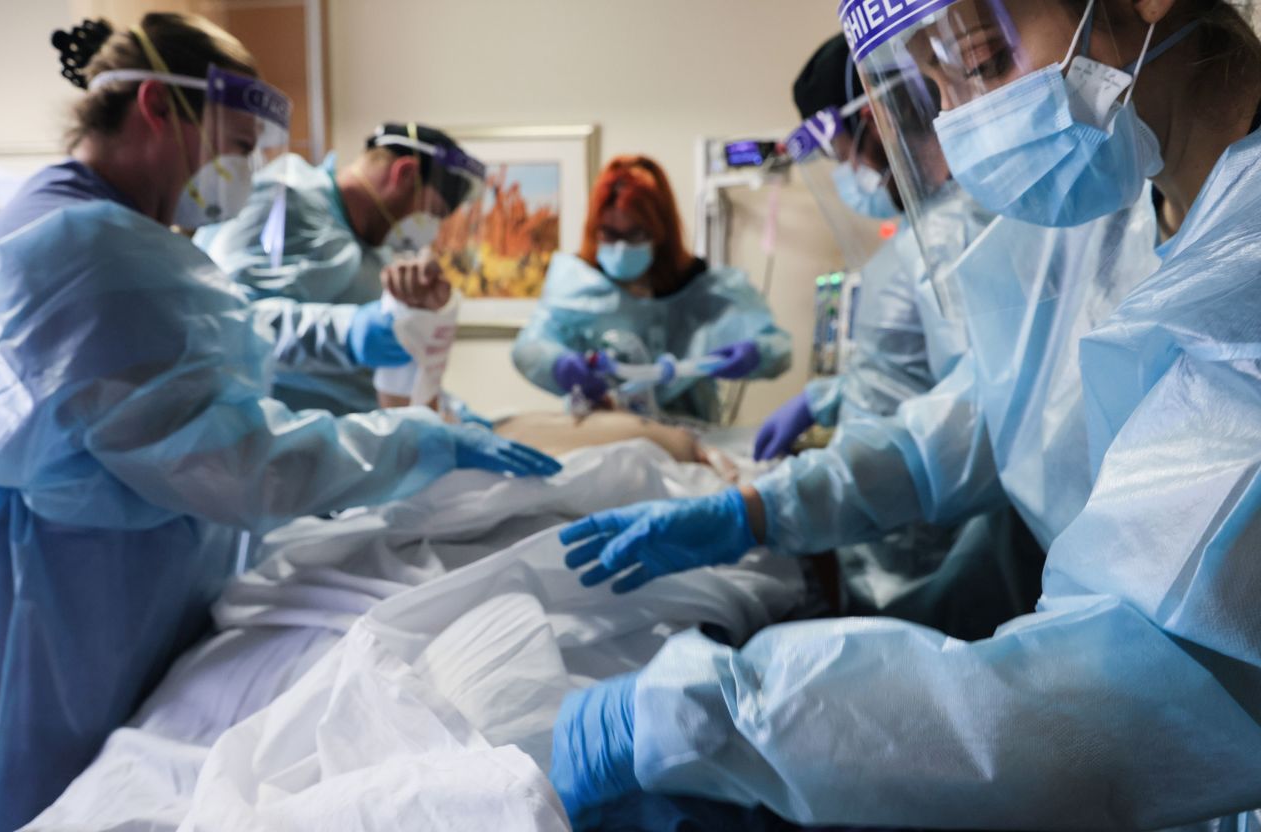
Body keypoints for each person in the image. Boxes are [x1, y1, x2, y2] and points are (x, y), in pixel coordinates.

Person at [550, 0, 1261, 828]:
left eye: (982, 59)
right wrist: (761, 509)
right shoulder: (1109, 220)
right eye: (933, 86)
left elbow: (1141, 674)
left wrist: (726, 718)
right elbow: (965, 429)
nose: (960, 117)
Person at [0, 15, 558, 829]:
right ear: (158, 106)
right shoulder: (90, 253)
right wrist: (417, 438)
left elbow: (200, 387)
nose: (250, 170)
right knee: (55, 803)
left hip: (122, 573)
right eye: (241, 142)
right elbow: (234, 459)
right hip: (68, 598)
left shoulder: (116, 234)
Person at [754, 34, 1042, 635]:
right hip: (905, 536)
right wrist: (828, 397)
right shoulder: (931, 234)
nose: (849, 173)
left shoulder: (957, 237)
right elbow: (918, 375)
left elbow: (982, 410)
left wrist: (773, 507)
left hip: (944, 558)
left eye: (844, 153)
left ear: (877, 119)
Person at [196, 122, 483, 414]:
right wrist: (349, 333)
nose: (430, 233)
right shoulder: (284, 202)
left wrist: (450, 410)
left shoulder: (377, 248)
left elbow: (373, 375)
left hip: (351, 440)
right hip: (272, 436)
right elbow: (232, 322)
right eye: (432, 214)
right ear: (406, 174)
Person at [512, 155, 792, 423]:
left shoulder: (700, 288)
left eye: (635, 234)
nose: (621, 247)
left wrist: (757, 353)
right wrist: (558, 364)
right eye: (610, 233)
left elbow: (777, 347)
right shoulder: (578, 285)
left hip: (689, 437)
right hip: (603, 432)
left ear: (660, 232)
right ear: (595, 229)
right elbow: (530, 347)